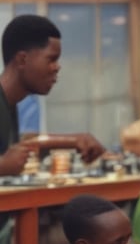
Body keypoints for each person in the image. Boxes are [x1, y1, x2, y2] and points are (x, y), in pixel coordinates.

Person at [0, 14, 104, 176]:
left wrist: (75, 141)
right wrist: (3, 166)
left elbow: (22, 146)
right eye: (51, 59)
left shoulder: (9, 104)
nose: (57, 67)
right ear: (22, 60)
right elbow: (6, 161)